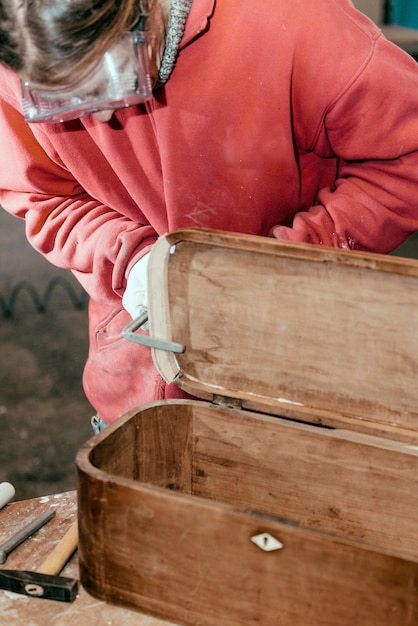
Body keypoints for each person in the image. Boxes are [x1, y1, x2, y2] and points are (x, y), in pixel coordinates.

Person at [0, 0, 418, 429]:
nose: (100, 116)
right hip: (140, 381)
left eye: (111, 79)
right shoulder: (21, 47)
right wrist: (130, 259)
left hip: (302, 368)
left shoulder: (297, 24)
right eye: (61, 101)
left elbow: (407, 161)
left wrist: (283, 262)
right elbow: (41, 195)